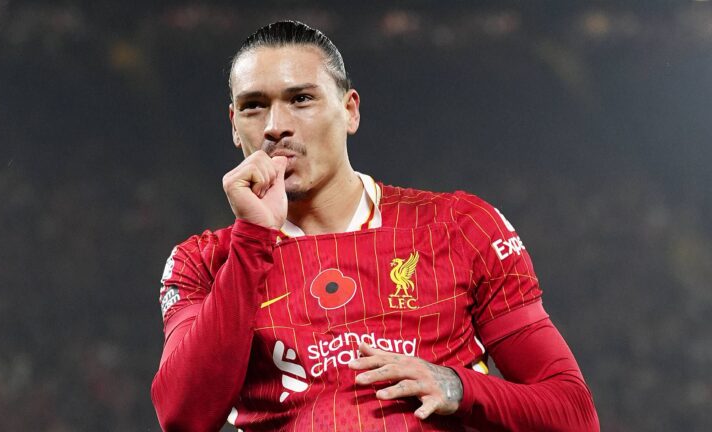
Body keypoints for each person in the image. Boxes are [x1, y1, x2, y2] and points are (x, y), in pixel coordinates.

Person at [151, 20, 599, 432]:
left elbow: (574, 413)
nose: (275, 127)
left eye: (301, 99)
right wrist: (252, 240)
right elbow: (183, 417)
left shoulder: (460, 227)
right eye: (253, 106)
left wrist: (458, 387)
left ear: (350, 111)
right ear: (234, 126)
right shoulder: (203, 261)